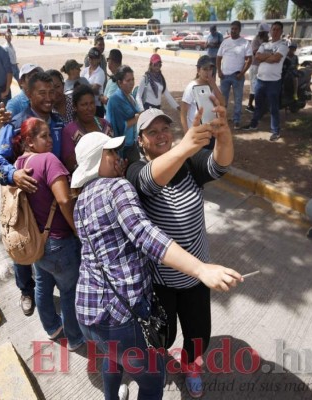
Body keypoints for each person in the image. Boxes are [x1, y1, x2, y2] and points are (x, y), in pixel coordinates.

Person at [71, 131, 242, 400]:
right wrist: (200, 268)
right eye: (111, 154)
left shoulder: (81, 201)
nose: (118, 158)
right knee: (152, 380)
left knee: (112, 359)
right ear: (98, 161)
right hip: (121, 316)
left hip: (87, 313)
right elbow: (144, 233)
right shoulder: (118, 187)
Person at [127, 104, 234, 398]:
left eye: (165, 128)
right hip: (160, 280)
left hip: (197, 276)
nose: (161, 135)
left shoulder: (189, 163)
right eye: (152, 131)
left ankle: (191, 366)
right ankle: (159, 365)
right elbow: (151, 180)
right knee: (163, 335)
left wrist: (223, 136)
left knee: (198, 334)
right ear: (141, 140)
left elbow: (220, 165)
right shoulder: (135, 170)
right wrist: (184, 147)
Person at [0, 72, 65, 316]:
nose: (47, 97)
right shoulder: (15, 124)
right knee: (23, 248)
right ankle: (25, 290)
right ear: (29, 95)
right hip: (26, 204)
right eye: (41, 93)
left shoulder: (59, 122)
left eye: (50, 92)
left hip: (53, 204)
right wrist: (14, 175)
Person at [12, 117, 85, 351]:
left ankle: (52, 328)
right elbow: (63, 199)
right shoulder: (49, 160)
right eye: (43, 136)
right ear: (29, 141)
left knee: (42, 285)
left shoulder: (18, 165)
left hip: (36, 242)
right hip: (59, 242)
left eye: (49, 134)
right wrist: (77, 229)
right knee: (69, 290)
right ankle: (74, 338)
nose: (50, 140)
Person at [243, 21, 288, 141]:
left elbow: (276, 58)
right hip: (260, 80)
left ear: (281, 31)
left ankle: (275, 131)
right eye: (273, 29)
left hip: (274, 81)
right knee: (258, 105)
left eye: (278, 29)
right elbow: (257, 56)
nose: (275, 31)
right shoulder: (264, 44)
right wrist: (270, 56)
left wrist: (266, 57)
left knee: (273, 107)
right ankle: (253, 124)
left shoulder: (283, 46)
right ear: (270, 31)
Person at [61, 84, 113, 172]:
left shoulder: (105, 125)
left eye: (92, 103)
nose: (89, 108)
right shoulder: (70, 131)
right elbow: (70, 165)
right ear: (75, 107)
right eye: (84, 104)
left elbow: (113, 151)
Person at [216, 20, 252, 130]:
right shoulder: (225, 42)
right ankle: (222, 119)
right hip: (225, 76)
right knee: (223, 100)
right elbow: (218, 58)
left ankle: (236, 120)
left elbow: (249, 59)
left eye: (236, 29)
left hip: (237, 76)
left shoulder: (245, 43)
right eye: (232, 29)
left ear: (239, 30)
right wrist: (219, 71)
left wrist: (242, 73)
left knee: (238, 99)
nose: (233, 31)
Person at [181, 56, 225, 142]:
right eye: (205, 69)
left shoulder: (213, 86)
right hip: (197, 131)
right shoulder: (192, 87)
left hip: (212, 130)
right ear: (198, 70)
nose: (208, 72)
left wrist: (213, 85)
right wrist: (186, 134)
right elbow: (183, 113)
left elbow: (223, 103)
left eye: (210, 69)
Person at [106, 65, 140, 163]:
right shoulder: (115, 100)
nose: (132, 83)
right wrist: (136, 119)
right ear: (119, 83)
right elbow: (117, 126)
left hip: (132, 144)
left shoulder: (130, 96)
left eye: (132, 79)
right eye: (128, 80)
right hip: (122, 148)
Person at [246, 23, 270, 112]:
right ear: (262, 32)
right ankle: (249, 105)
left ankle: (259, 106)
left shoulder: (265, 40)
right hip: (255, 66)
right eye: (266, 33)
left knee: (260, 87)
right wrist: (268, 55)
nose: (267, 35)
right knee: (254, 87)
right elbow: (256, 53)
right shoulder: (256, 40)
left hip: (262, 66)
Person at [81, 47, 106, 118]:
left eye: (94, 58)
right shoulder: (84, 70)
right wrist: (90, 86)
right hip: (85, 105)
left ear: (99, 59)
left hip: (96, 106)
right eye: (90, 58)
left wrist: (83, 85)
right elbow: (77, 84)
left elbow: (95, 89)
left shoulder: (100, 72)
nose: (91, 60)